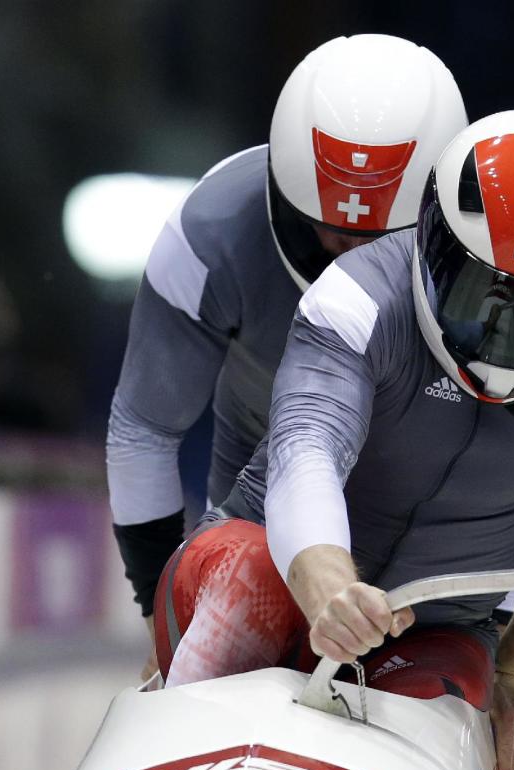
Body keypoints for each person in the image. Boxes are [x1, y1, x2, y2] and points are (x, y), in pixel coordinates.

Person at [152, 110, 514, 770]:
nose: (504, 341)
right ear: (432, 246)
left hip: (438, 628)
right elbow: (307, 451)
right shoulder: (359, 296)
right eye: (483, 296)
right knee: (253, 584)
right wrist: (329, 585)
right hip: (267, 569)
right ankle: (171, 765)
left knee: (457, 687)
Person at [107, 34, 468, 669]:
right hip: (257, 523)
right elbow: (144, 429)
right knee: (240, 589)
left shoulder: (489, 262)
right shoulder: (210, 234)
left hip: (420, 556)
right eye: (324, 229)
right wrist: (156, 617)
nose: (345, 260)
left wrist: (511, 658)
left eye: (378, 242)